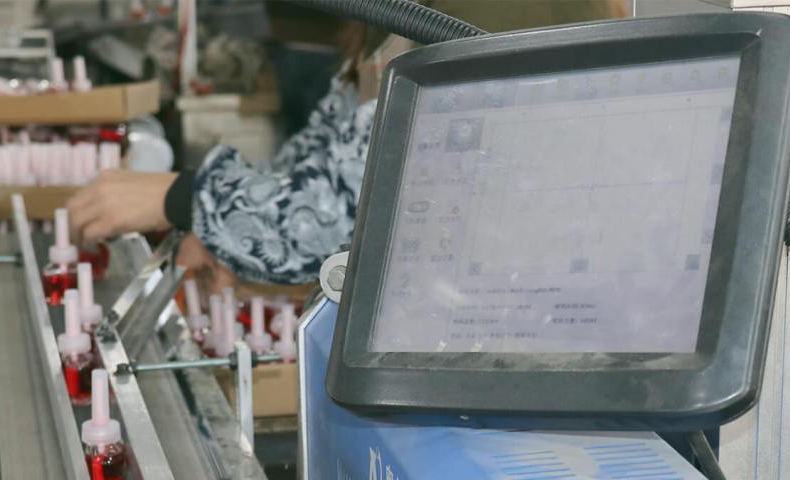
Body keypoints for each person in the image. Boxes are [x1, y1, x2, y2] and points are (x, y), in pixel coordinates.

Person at [67, 1, 628, 286]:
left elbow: (353, 215)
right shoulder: (389, 18)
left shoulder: (491, 19)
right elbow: (324, 156)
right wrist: (220, 229)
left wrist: (184, 199)